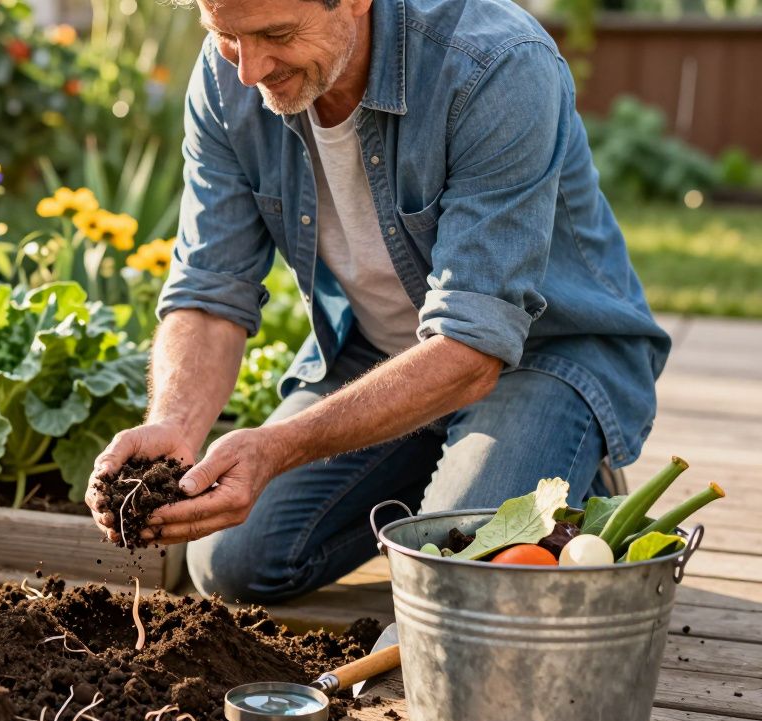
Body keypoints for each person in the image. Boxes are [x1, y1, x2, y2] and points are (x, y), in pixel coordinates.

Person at [85, 0, 671, 604]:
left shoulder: (496, 64)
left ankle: (564, 463)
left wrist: (280, 447)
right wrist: (173, 424)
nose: (249, 71)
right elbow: (210, 287)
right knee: (233, 564)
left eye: (276, 34)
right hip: (383, 351)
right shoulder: (226, 77)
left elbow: (472, 346)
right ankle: (452, 468)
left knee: (453, 581)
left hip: (543, 357)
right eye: (227, 34)